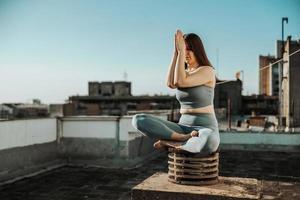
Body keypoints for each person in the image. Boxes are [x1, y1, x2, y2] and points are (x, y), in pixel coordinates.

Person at [132, 30, 220, 153]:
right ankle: (181, 139)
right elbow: (170, 83)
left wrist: (182, 51)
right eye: (184, 49)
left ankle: (172, 142)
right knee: (138, 119)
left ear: (198, 50)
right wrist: (176, 53)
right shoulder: (184, 73)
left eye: (189, 49)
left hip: (204, 128)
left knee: (209, 141)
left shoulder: (207, 71)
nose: (186, 53)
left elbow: (180, 82)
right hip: (181, 128)